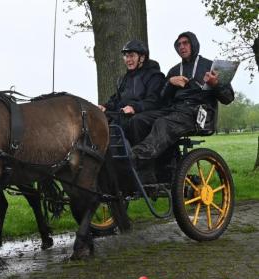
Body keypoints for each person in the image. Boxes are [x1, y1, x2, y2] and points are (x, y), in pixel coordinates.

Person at [131, 31, 235, 183]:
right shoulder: (174, 71)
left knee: (163, 123)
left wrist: (216, 84)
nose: (182, 47)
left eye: (185, 43)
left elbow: (228, 98)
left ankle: (136, 156)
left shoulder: (211, 66)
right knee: (138, 120)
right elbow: (162, 100)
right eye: (179, 44)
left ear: (193, 44)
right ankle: (147, 170)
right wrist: (169, 83)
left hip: (199, 112)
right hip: (174, 110)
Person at [98, 40, 166, 145]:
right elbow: (117, 100)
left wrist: (134, 108)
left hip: (146, 115)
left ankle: (139, 157)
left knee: (135, 121)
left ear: (142, 58)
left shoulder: (155, 76)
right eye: (126, 56)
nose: (128, 59)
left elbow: (154, 101)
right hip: (124, 114)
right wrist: (105, 106)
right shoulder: (124, 78)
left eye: (132, 56)